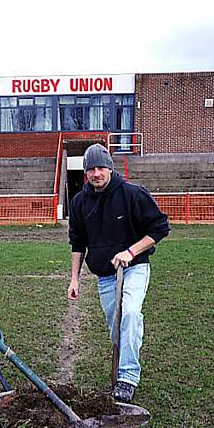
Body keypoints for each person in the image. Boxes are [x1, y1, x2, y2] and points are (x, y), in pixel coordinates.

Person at [67, 143, 169, 403]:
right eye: (90, 169)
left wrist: (130, 252)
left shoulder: (132, 194)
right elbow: (77, 242)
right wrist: (75, 279)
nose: (96, 173)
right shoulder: (79, 202)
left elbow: (159, 229)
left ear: (110, 168)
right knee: (117, 327)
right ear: (85, 173)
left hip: (133, 269)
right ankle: (126, 359)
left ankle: (127, 378)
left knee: (131, 314)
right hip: (105, 275)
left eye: (101, 167)